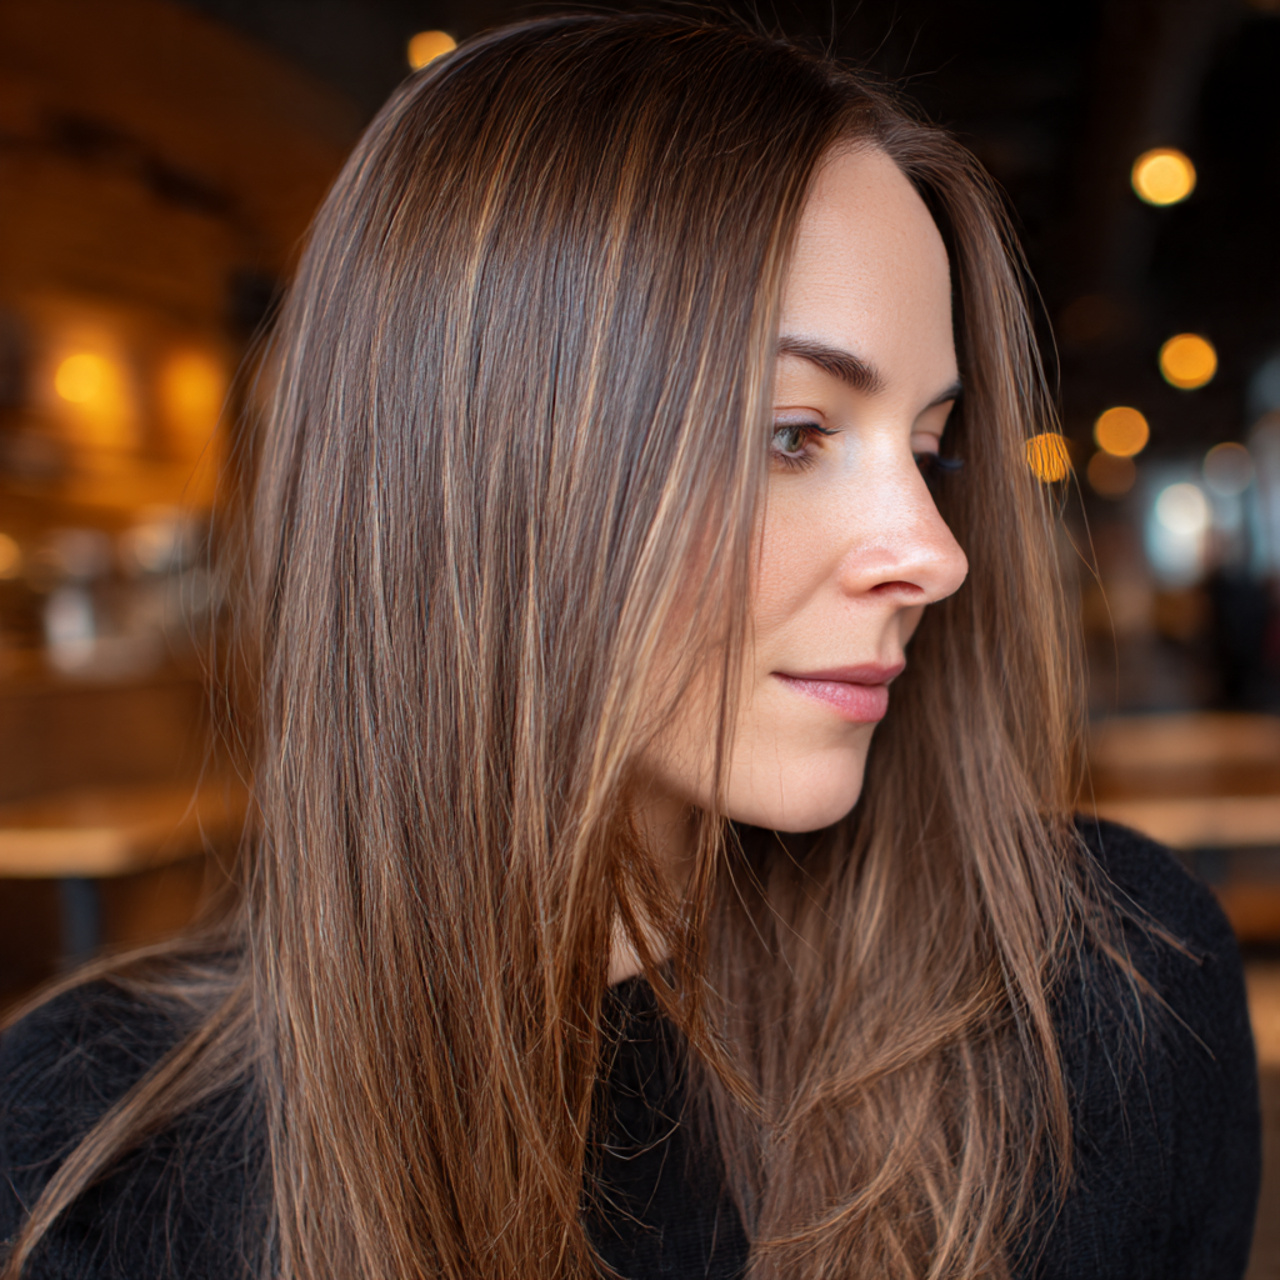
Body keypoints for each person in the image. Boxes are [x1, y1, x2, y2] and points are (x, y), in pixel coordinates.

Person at [0, 13, 1261, 1280]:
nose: (933, 553)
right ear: (487, 467)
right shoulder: (83, 1168)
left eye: (929, 449)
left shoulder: (1102, 1005)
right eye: (791, 434)